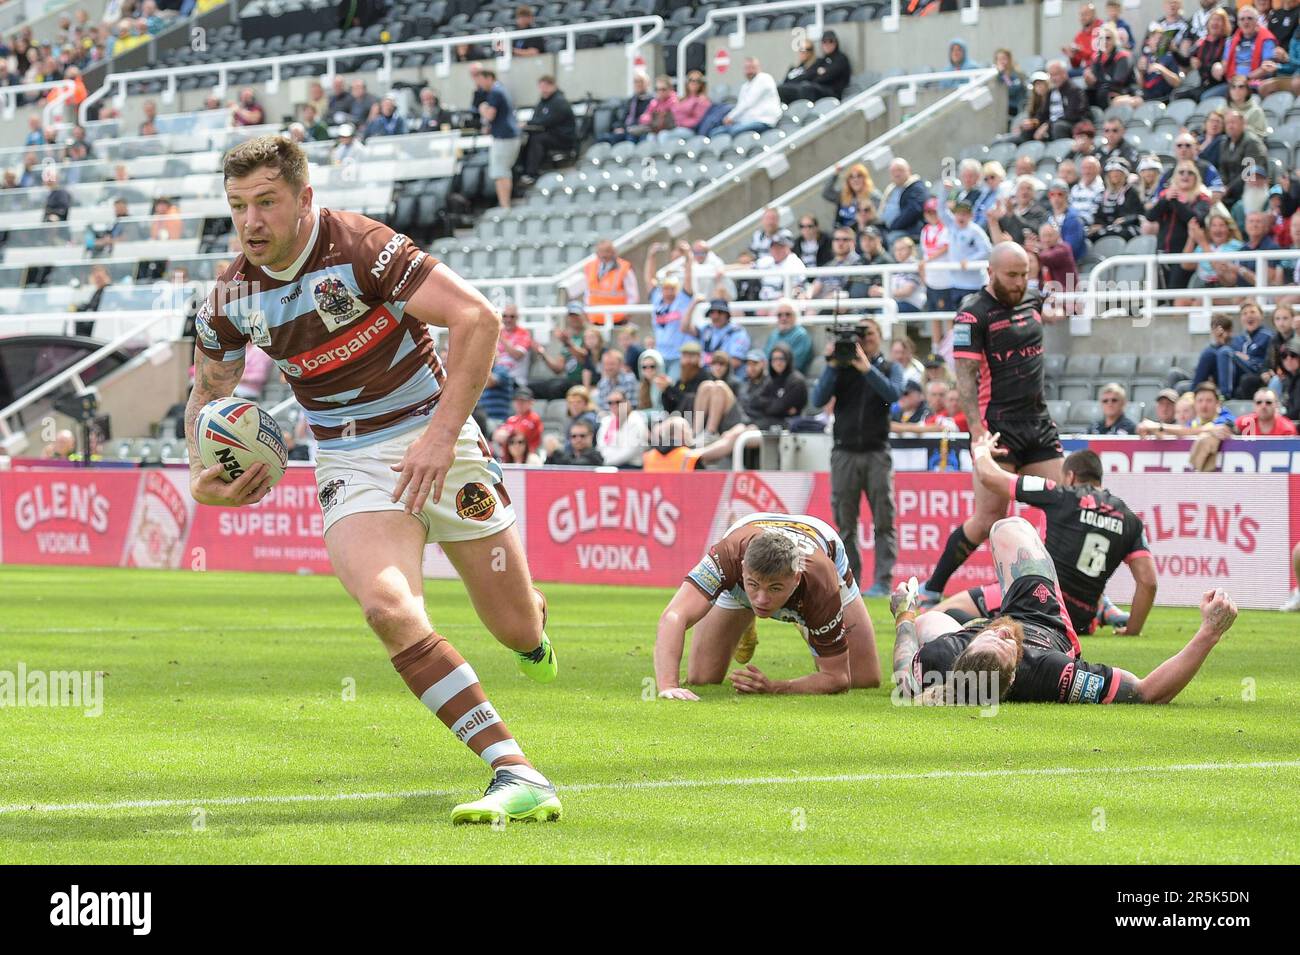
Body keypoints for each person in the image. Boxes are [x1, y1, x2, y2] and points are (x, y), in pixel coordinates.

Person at [186, 135, 561, 824]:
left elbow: (478, 316)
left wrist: (443, 436)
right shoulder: (231, 293)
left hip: (435, 434)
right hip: (348, 461)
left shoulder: (362, 246)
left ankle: (534, 625)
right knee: (388, 609)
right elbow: (208, 393)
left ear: (304, 198)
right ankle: (514, 767)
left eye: (266, 202)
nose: (252, 222)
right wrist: (198, 473)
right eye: (238, 206)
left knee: (513, 628)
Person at [892, 517, 1237, 705]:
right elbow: (1147, 692)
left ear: (962, 654)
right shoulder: (1049, 671)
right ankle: (1096, 605)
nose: (1001, 632)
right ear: (1013, 675)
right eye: (1006, 645)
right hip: (1041, 621)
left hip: (965, 636)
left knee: (926, 621)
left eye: (989, 638)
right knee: (1010, 528)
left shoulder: (940, 658)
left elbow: (903, 670)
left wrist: (904, 614)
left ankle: (978, 607)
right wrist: (1209, 633)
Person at [918, 242, 1065, 606]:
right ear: (991, 272)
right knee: (987, 519)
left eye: (1024, 275)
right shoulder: (973, 313)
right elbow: (965, 377)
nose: (1018, 283)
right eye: (1011, 276)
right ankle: (933, 588)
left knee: (1067, 507)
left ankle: (1080, 596)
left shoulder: (1032, 299)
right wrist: (977, 432)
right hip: (997, 426)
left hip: (1038, 422)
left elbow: (1060, 301)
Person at [933, 440, 1156, 635]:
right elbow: (1148, 582)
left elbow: (991, 478)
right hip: (1078, 621)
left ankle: (978, 621)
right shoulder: (1130, 520)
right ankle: (1102, 610)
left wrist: (981, 450)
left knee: (938, 615)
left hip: (1039, 599)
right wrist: (1132, 631)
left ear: (1070, 477)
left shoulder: (1061, 495)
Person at [654, 513, 881, 700]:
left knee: (864, 678)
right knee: (702, 677)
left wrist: (775, 687)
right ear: (742, 569)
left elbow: (838, 677)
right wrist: (668, 685)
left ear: (796, 578)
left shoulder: (821, 581)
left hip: (818, 538)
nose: (761, 600)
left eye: (774, 588)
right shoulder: (726, 556)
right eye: (753, 585)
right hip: (749, 532)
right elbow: (674, 616)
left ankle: (808, 621)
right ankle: (748, 615)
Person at [811, 318, 902, 597]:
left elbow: (893, 396)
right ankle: (851, 581)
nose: (864, 339)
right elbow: (817, 398)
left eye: (869, 333)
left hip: (876, 452)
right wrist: (832, 364)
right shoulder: (841, 369)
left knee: (883, 521)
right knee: (845, 523)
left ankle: (883, 581)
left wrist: (867, 369)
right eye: (859, 335)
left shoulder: (888, 367)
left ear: (879, 336)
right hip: (845, 452)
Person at [1146, 161, 1211, 290]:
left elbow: (1194, 219)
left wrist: (1176, 200)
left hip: (1185, 255)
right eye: (1181, 172)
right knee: (1158, 297)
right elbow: (1150, 216)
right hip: (1162, 252)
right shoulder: (1166, 197)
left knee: (1175, 293)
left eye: (1190, 173)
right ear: (1175, 177)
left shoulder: (1202, 198)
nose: (1185, 175)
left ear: (1196, 178)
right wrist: (1165, 200)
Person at [1194, 304, 1274, 398]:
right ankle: (1194, 393)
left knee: (1224, 352)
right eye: (1244, 313)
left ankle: (1224, 396)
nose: (1249, 315)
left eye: (1252, 312)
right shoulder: (1238, 339)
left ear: (1261, 316)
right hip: (1237, 373)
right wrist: (1220, 342)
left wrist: (1249, 359)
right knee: (1209, 353)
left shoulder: (1268, 336)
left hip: (1255, 372)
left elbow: (1269, 362)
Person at [644, 242, 696, 377]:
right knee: (658, 391)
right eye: (666, 288)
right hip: (660, 353)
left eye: (672, 288)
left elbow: (689, 278)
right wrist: (651, 256)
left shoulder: (682, 299)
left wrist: (688, 258)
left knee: (672, 386)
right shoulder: (657, 299)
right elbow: (649, 279)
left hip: (678, 354)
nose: (669, 292)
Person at [474, 68, 520, 210]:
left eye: (481, 80)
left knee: (501, 172)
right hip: (507, 135)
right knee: (501, 171)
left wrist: (482, 108)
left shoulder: (495, 92)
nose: (479, 84)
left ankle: (504, 206)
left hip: (504, 138)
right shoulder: (501, 90)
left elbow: (489, 115)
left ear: (489, 78)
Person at [519, 75, 575, 184]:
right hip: (547, 134)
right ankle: (522, 171)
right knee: (527, 139)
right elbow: (536, 118)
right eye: (541, 87)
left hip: (562, 138)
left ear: (553, 86)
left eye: (545, 86)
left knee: (538, 139)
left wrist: (528, 123)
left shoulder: (560, 102)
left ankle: (532, 173)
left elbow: (548, 121)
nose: (543, 89)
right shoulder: (542, 101)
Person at [747, 344, 808, 431]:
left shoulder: (796, 381)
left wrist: (771, 405)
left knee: (746, 432)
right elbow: (756, 401)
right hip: (767, 420)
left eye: (781, 359)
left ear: (788, 359)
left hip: (788, 425)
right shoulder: (772, 379)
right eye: (774, 359)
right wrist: (776, 404)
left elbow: (777, 409)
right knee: (740, 428)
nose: (778, 363)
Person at [778, 30, 850, 103]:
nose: (827, 44)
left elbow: (828, 76)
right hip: (816, 88)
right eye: (824, 42)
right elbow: (810, 74)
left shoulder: (841, 58)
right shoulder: (822, 60)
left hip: (833, 93)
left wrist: (818, 74)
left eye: (831, 41)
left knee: (807, 87)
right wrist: (817, 73)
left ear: (836, 43)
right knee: (783, 89)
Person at [581, 239, 638, 325]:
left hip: (617, 319)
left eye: (607, 251)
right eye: (601, 251)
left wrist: (627, 313)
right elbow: (587, 292)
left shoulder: (624, 267)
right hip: (595, 318)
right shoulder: (590, 267)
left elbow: (633, 295)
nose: (604, 255)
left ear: (613, 252)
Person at [723, 57, 782, 136]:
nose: (749, 71)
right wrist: (732, 119)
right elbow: (741, 106)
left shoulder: (764, 78)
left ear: (759, 68)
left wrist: (730, 117)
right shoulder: (745, 86)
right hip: (747, 122)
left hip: (765, 121)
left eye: (752, 67)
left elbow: (748, 103)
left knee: (734, 131)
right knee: (716, 132)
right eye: (747, 68)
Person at [880, 158, 928, 244]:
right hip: (889, 228)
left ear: (909, 170)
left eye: (900, 170)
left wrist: (892, 226)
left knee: (889, 240)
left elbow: (913, 210)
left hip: (910, 230)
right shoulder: (891, 190)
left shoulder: (916, 187)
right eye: (893, 171)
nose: (896, 174)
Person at [596, 390, 649, 467]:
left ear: (627, 402)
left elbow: (632, 451)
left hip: (630, 466)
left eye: (618, 402)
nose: (614, 405)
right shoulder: (607, 421)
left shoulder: (636, 420)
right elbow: (600, 445)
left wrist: (606, 462)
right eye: (610, 403)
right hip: (608, 464)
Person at [696, 299, 751, 370]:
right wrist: (694, 302)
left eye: (720, 312)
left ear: (727, 315)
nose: (716, 316)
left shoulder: (738, 333)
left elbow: (735, 362)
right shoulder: (706, 329)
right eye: (712, 312)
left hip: (728, 375)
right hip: (708, 373)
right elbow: (684, 328)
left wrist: (714, 369)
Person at [823, 162, 881, 230]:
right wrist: (836, 173)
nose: (855, 180)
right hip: (843, 235)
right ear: (848, 181)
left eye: (859, 176)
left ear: (865, 178)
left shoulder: (873, 195)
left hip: (865, 233)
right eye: (851, 177)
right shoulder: (844, 196)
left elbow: (880, 216)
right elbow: (826, 192)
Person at [600, 71, 652, 144]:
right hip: (626, 129)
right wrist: (619, 127)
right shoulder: (631, 101)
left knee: (631, 138)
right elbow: (623, 118)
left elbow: (646, 121)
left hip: (640, 131)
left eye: (641, 81)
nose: (638, 84)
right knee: (603, 138)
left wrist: (627, 129)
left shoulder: (652, 101)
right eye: (636, 82)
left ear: (647, 83)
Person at [764, 299, 813, 374]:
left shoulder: (801, 335)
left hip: (792, 378)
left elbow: (796, 363)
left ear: (795, 316)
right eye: (779, 315)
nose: (783, 318)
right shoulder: (773, 334)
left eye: (788, 314)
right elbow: (765, 357)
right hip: (772, 376)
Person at [594, 347, 638, 412]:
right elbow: (601, 407)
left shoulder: (629, 379)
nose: (608, 367)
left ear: (621, 364)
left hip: (625, 417)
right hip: (607, 418)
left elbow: (631, 406)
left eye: (611, 364)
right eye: (605, 364)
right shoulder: (602, 383)